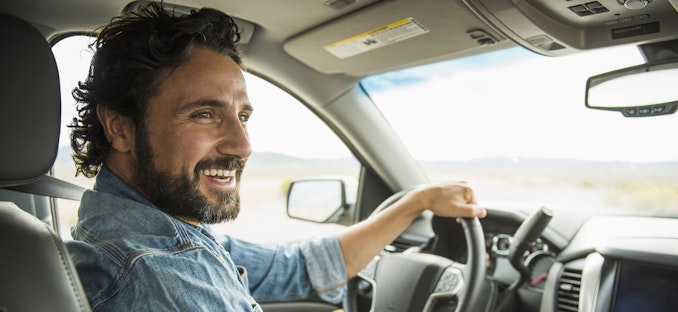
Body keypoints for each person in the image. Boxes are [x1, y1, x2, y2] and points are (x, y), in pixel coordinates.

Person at [64, 2, 486, 311]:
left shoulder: (167, 234)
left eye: (242, 115)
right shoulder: (158, 275)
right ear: (119, 127)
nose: (242, 145)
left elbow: (300, 268)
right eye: (205, 114)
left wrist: (417, 201)